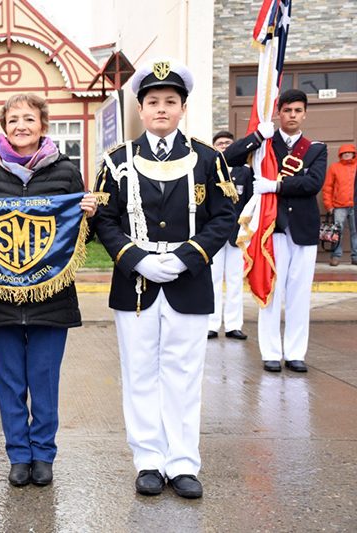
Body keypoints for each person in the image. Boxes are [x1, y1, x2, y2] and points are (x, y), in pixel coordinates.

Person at [93, 58, 237, 499]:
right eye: (152, 101)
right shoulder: (117, 160)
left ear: (182, 107)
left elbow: (224, 216)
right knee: (139, 374)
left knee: (183, 374)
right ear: (140, 107)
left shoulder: (208, 159)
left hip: (188, 283)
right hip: (134, 285)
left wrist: (186, 257)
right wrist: (134, 257)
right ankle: (149, 461)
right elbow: (104, 218)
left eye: (170, 101)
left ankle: (183, 462)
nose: (161, 109)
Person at [0, 93, 97, 487]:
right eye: (13, 120)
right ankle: (18, 454)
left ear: (43, 125)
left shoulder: (66, 172)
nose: (21, 126)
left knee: (44, 377)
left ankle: (43, 454)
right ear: (3, 126)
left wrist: (90, 213)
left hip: (50, 293)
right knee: (8, 379)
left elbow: (81, 236)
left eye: (29, 118)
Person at [224, 89, 327, 373]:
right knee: (271, 292)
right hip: (273, 228)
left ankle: (295, 353)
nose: (292, 115)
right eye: (287, 110)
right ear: (279, 113)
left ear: (304, 114)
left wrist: (277, 186)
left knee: (299, 294)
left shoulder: (316, 148)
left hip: (303, 229)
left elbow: (313, 184)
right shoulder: (266, 143)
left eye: (297, 111)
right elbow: (228, 158)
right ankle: (270, 351)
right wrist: (257, 136)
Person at [207, 131, 252, 340]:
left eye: (228, 143)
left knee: (235, 281)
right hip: (214, 235)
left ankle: (234, 325)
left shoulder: (245, 172)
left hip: (237, 235)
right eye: (219, 143)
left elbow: (251, 202)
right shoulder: (209, 171)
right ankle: (212, 324)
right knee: (213, 280)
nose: (224, 146)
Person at [322, 143, 356, 266]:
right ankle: (336, 256)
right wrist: (329, 205)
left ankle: (355, 257)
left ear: (353, 153)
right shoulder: (334, 167)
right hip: (339, 206)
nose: (346, 154)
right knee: (337, 232)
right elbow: (328, 188)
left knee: (355, 232)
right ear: (340, 155)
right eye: (343, 153)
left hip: (355, 206)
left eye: (349, 152)